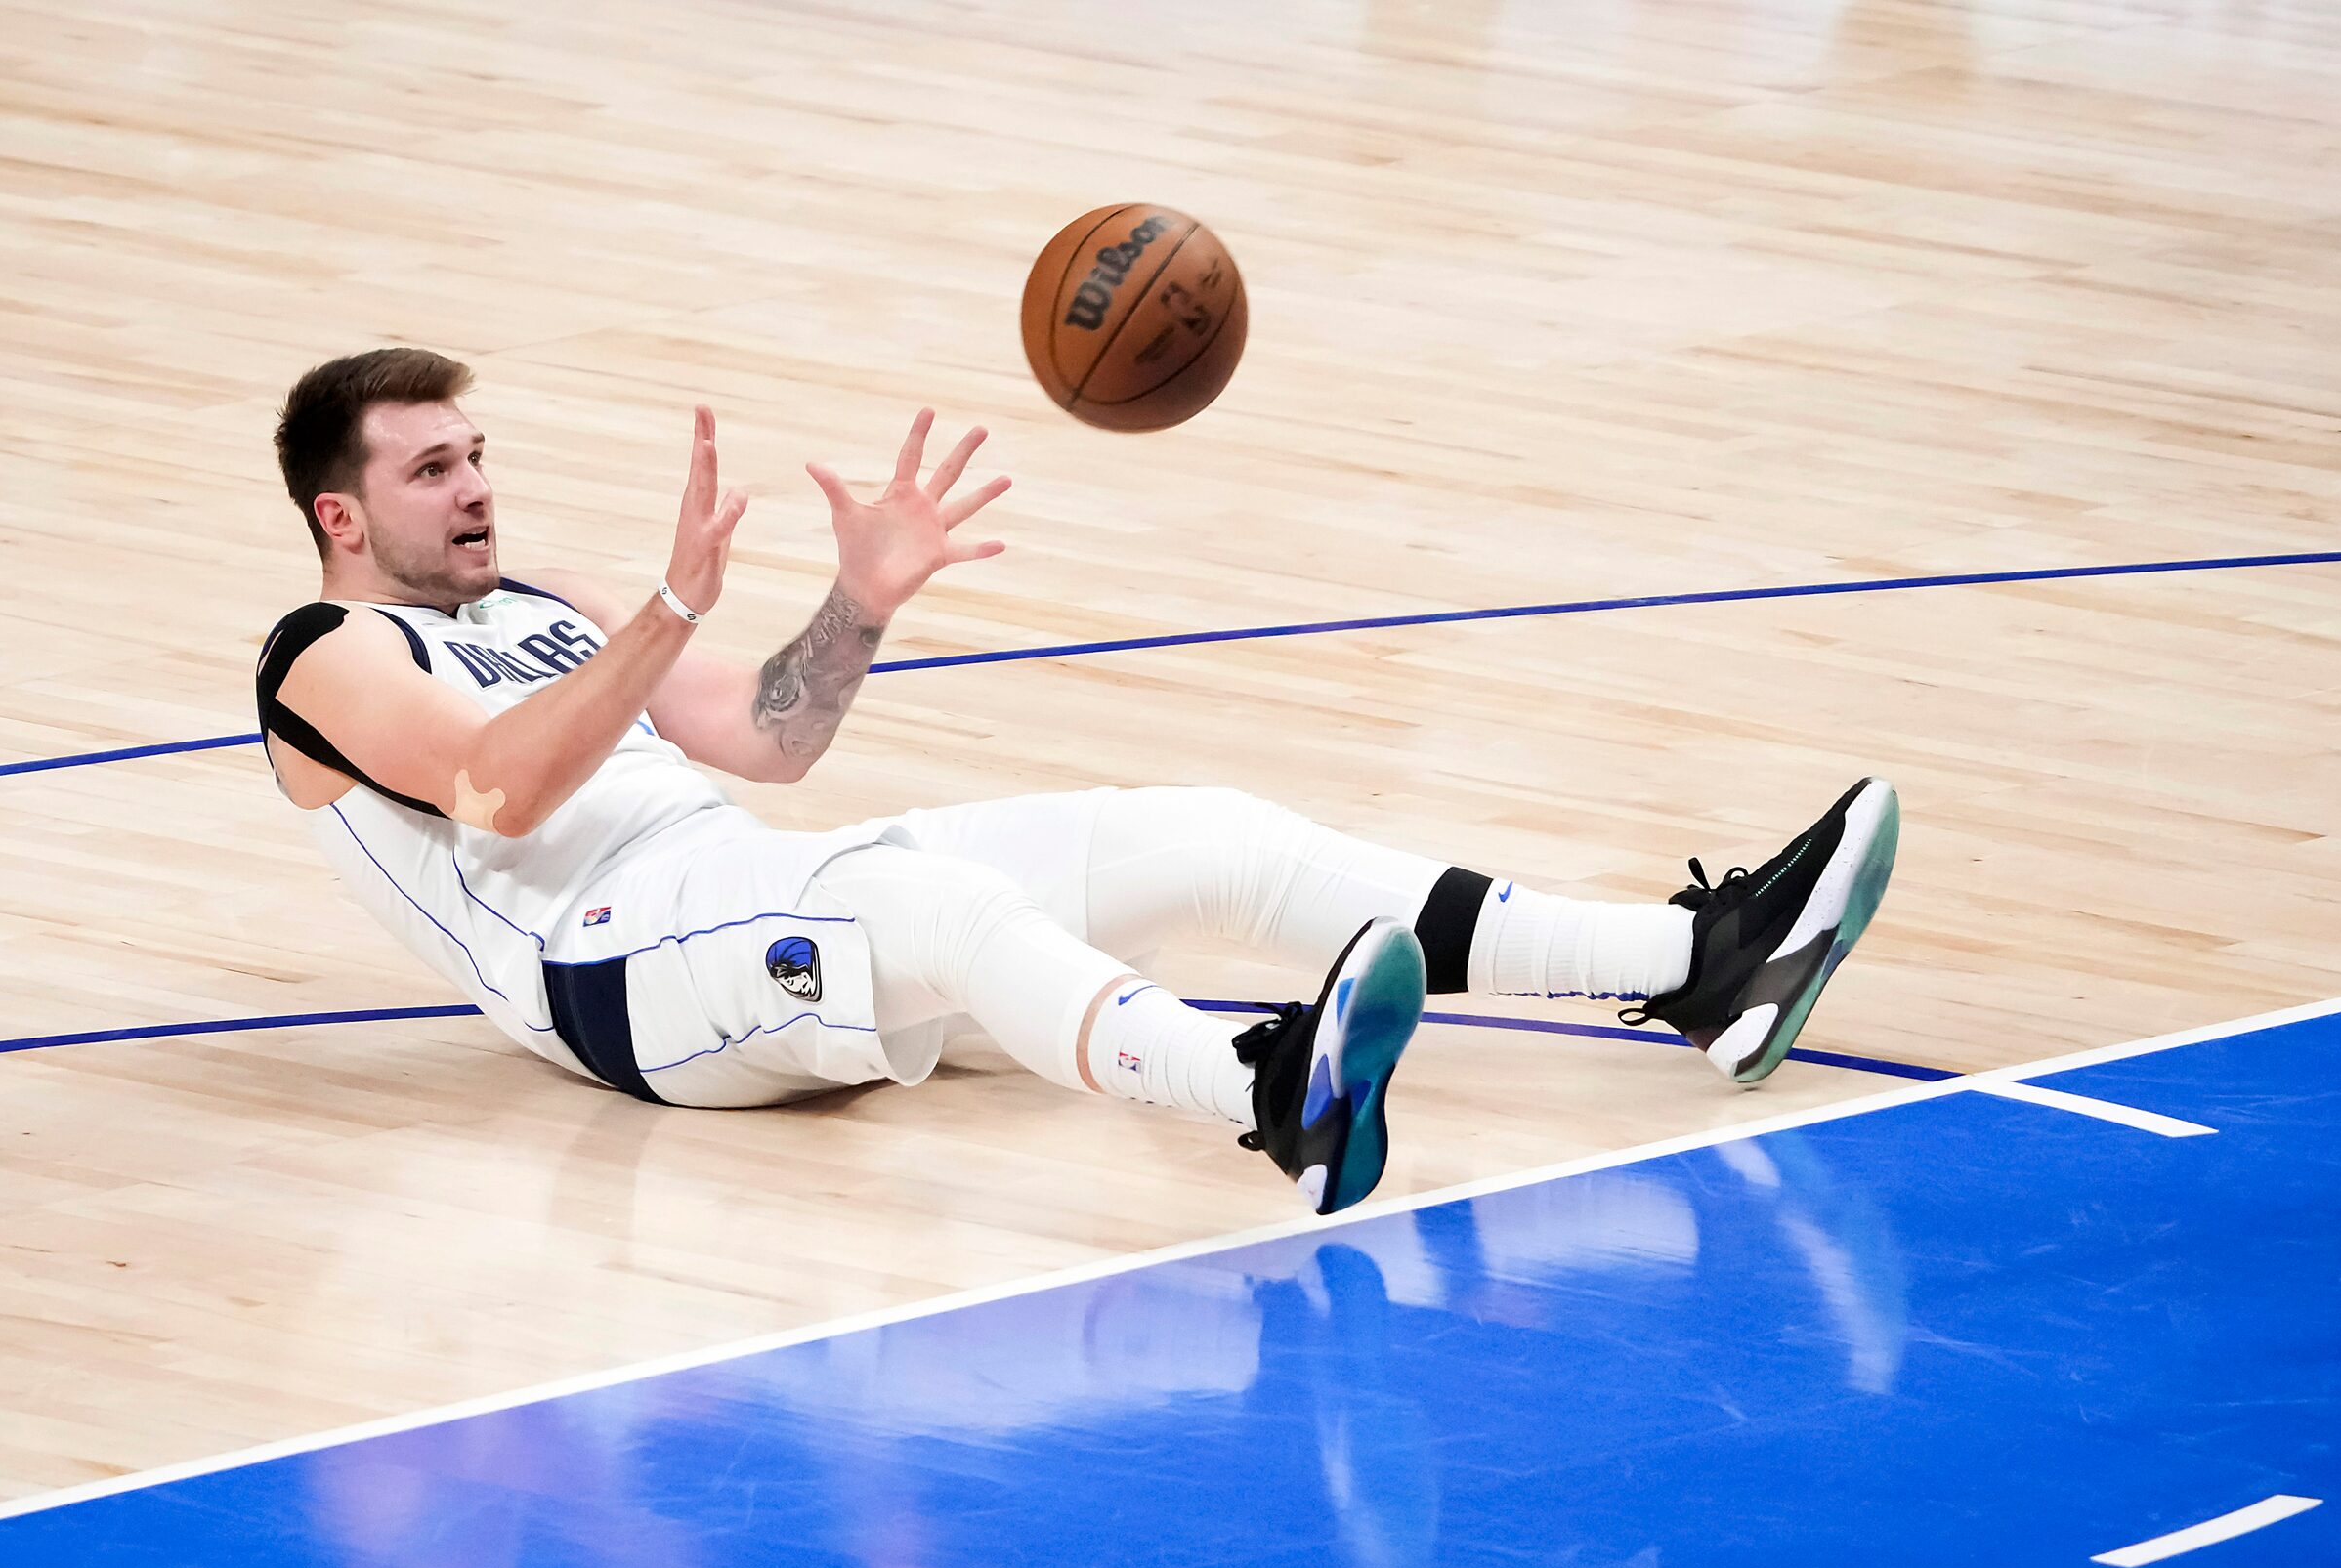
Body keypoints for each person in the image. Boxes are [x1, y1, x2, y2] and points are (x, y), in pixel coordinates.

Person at [256, 349, 1899, 1215]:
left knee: (1200, 838)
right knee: (930, 900)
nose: (475, 487)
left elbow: (765, 737)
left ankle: (1695, 967)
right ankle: (1265, 1095)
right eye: (432, 467)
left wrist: (859, 604)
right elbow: (493, 794)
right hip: (613, 978)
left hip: (745, 892)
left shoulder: (536, 615)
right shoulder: (317, 653)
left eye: (477, 454)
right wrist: (670, 603)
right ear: (344, 515)